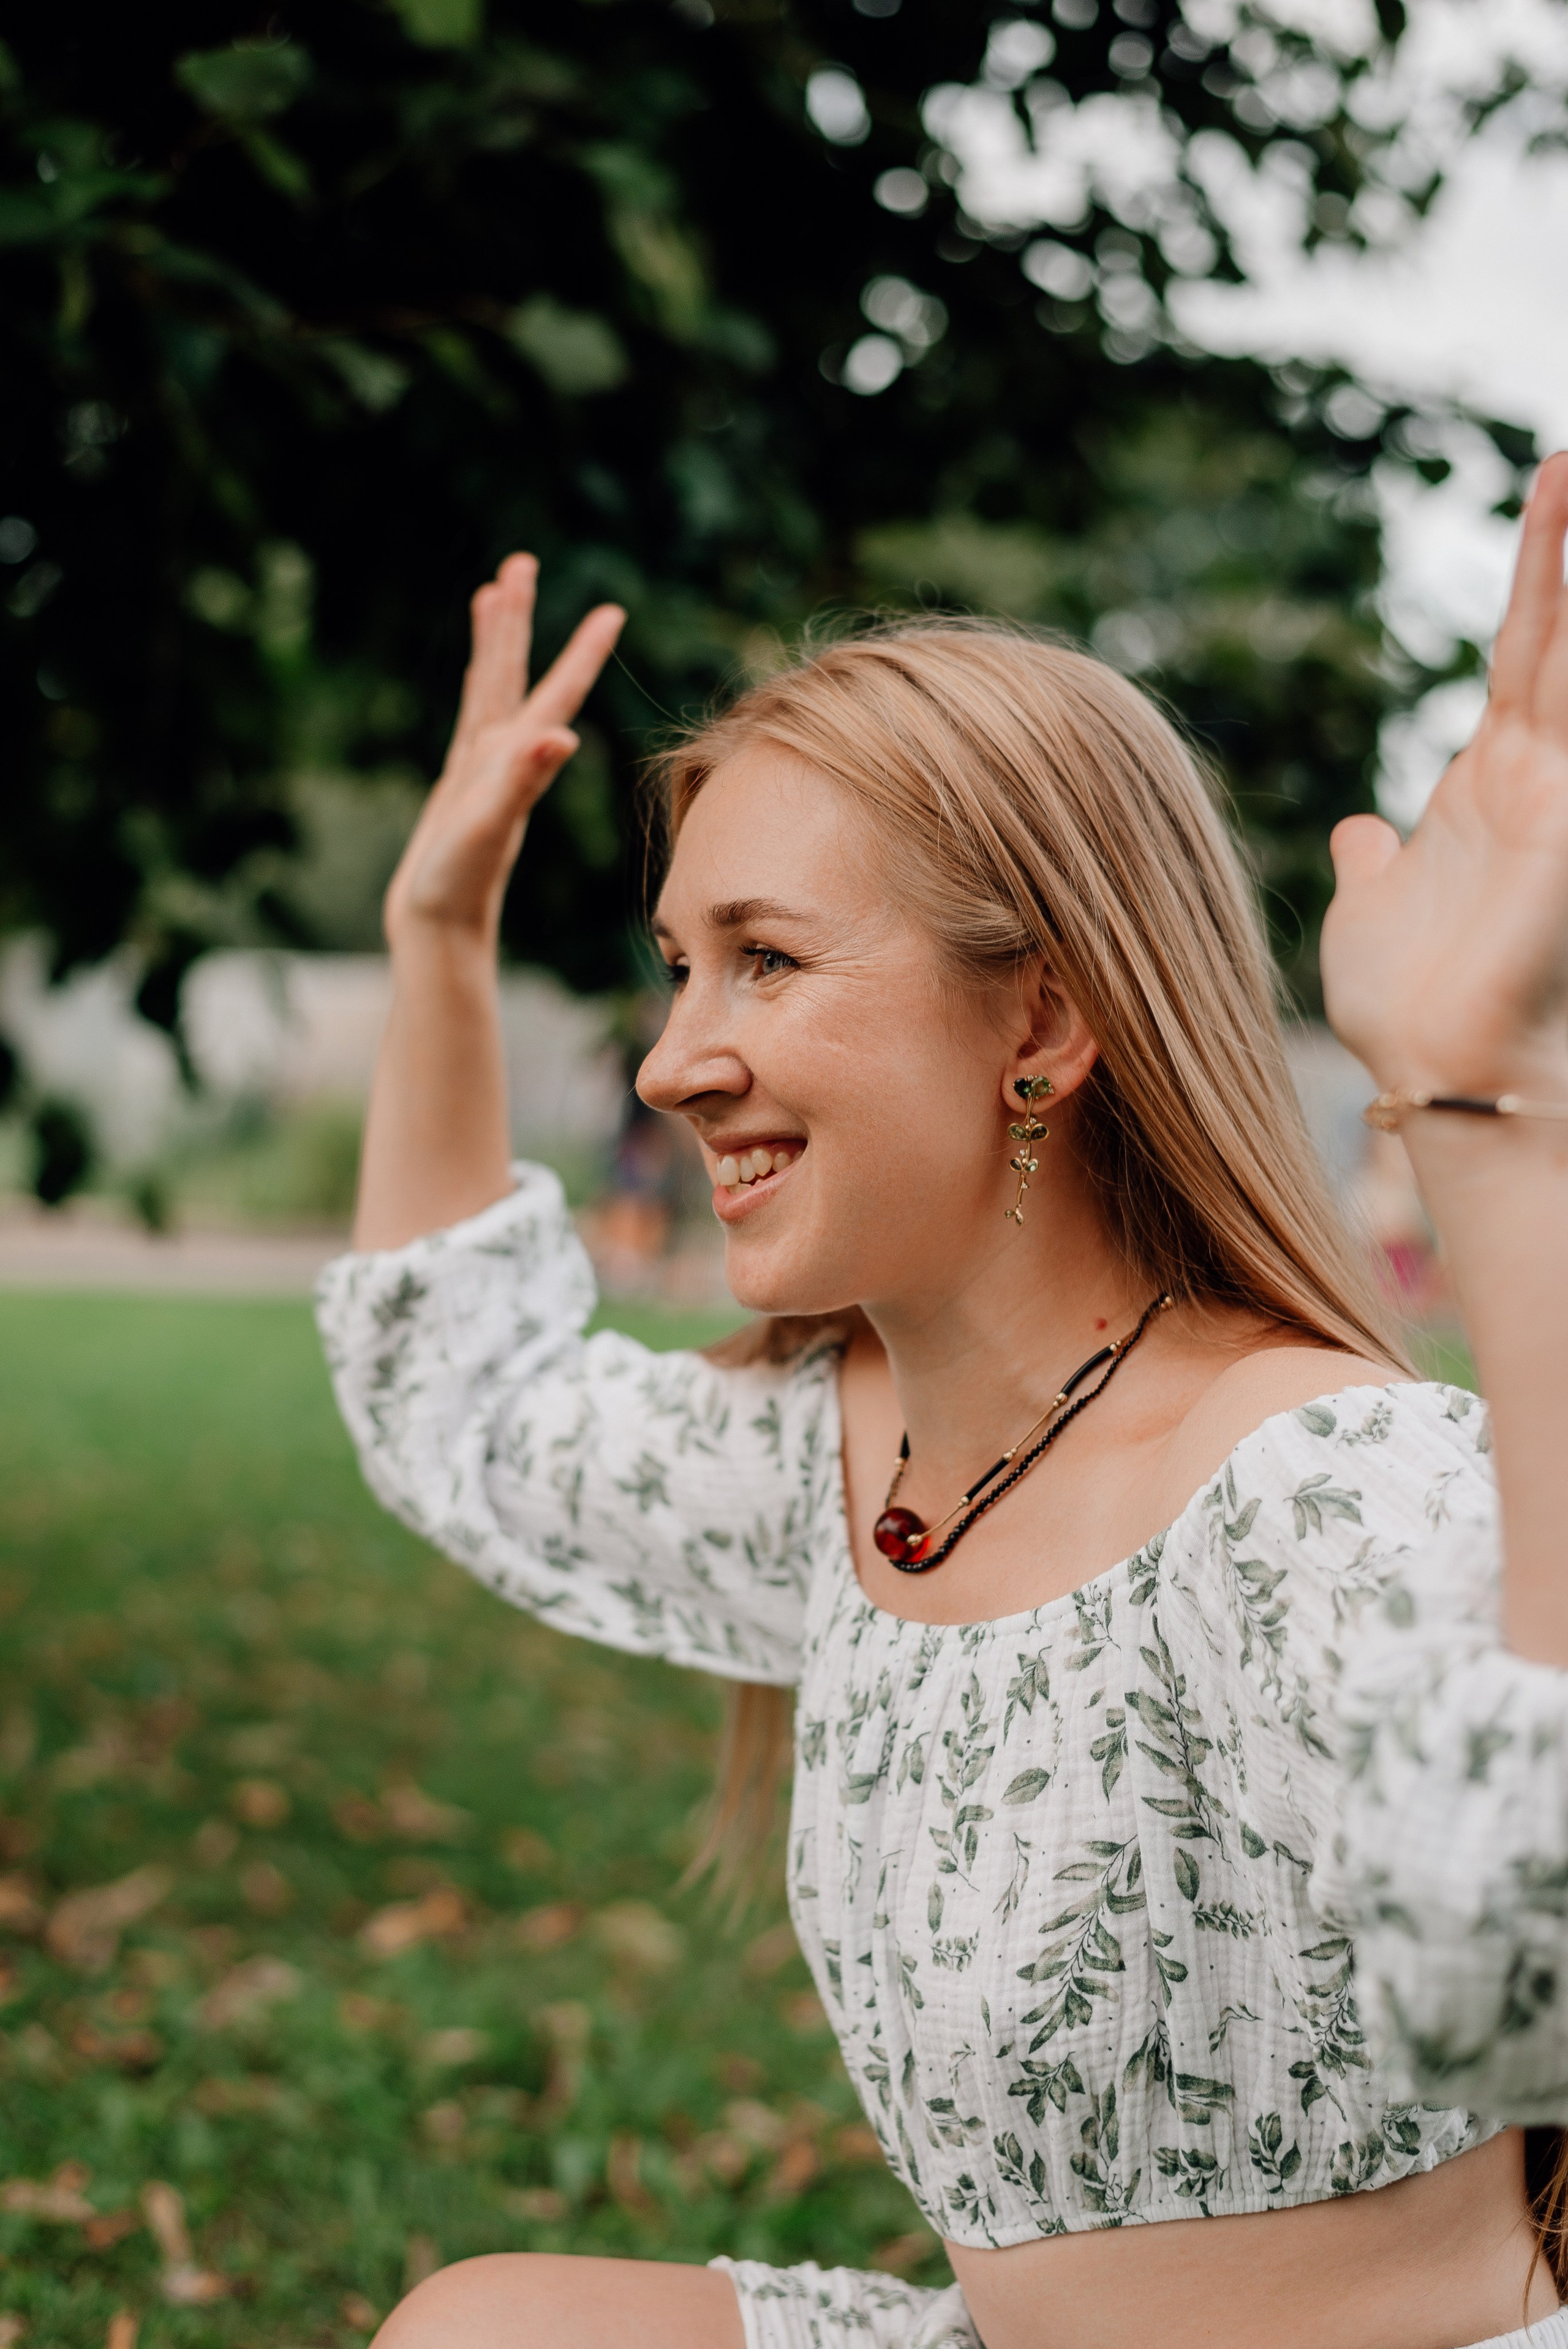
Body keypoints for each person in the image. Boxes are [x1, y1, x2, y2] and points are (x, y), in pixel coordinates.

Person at [315, 459, 1568, 2349]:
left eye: (765, 959)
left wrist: (1488, 1113)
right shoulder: (859, 1469)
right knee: (490, 2331)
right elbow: (470, 1409)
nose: (670, 1063)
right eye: (677, 968)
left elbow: (1533, 1929)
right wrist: (436, 938)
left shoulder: (1311, 1482)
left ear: (1043, 1025)